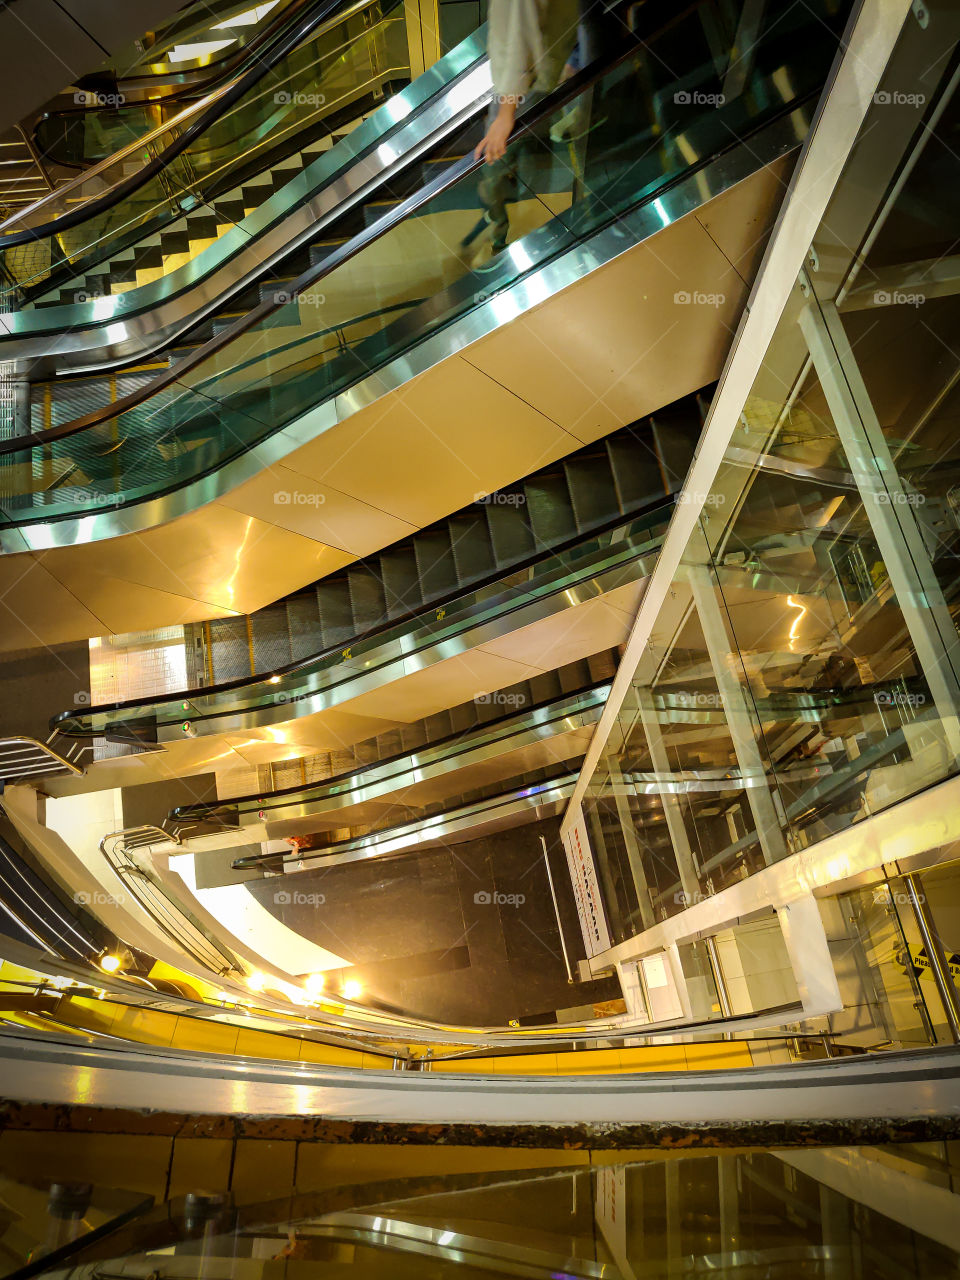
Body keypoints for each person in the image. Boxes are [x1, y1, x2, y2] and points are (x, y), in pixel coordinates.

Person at [464, 0, 579, 266]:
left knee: (493, 166)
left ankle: (500, 233)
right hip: (544, 82)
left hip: (520, 94)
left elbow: (518, 42)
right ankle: (534, 236)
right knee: (531, 162)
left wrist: (505, 115)